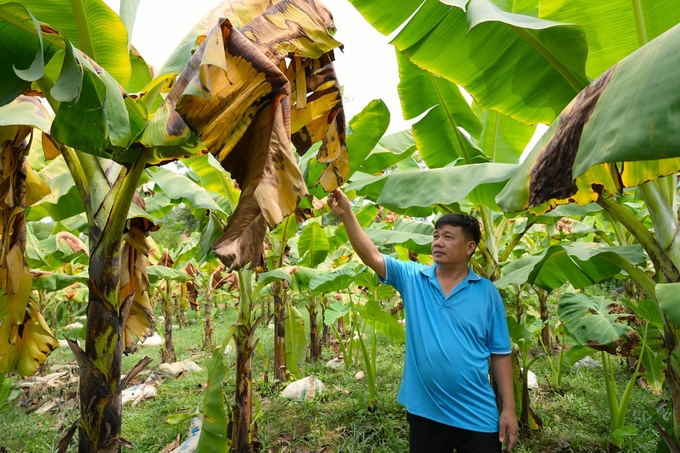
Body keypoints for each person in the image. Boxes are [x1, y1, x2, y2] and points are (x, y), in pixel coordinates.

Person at [327, 188, 518, 453]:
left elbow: (500, 354)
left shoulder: (487, 293)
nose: (438, 242)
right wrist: (347, 214)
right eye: (436, 236)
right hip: (426, 413)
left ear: (469, 247)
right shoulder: (413, 279)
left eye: (448, 237)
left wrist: (508, 410)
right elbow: (372, 256)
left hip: (477, 414)